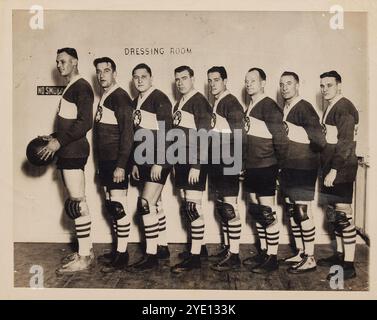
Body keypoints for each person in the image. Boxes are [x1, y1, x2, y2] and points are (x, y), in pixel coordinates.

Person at [38, 47, 95, 273]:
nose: (60, 66)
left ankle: (84, 256)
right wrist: (52, 137)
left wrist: (59, 143)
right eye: (58, 62)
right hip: (67, 151)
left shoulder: (82, 86)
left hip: (74, 151)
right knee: (76, 202)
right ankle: (86, 250)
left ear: (75, 62)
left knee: (77, 202)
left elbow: (84, 123)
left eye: (63, 62)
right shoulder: (72, 87)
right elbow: (69, 123)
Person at [279, 71, 326, 273]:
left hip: (303, 168)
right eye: (281, 84)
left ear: (297, 85)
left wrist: (302, 149)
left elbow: (319, 141)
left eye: (289, 83)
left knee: (302, 211)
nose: (285, 87)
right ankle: (300, 252)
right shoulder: (286, 108)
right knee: (292, 211)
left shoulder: (304, 107)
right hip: (289, 167)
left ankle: (310, 257)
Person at [242, 68, 287, 273]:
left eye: (253, 80)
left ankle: (272, 257)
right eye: (247, 81)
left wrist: (279, 169)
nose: (249, 84)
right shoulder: (250, 106)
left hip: (266, 166)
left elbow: (281, 141)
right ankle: (263, 251)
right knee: (257, 211)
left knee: (267, 213)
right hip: (252, 167)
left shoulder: (269, 106)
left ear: (263, 83)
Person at [128, 63, 173, 271]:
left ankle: (151, 255)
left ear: (151, 78)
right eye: (136, 77)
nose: (139, 80)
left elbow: (168, 133)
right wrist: (136, 162)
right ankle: (162, 246)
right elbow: (136, 136)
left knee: (145, 204)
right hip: (143, 159)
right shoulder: (136, 101)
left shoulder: (160, 98)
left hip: (159, 160)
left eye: (143, 76)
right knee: (156, 204)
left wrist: (160, 162)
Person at [92, 57, 134, 272]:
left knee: (119, 207)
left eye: (106, 70)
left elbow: (128, 135)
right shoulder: (105, 96)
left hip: (117, 163)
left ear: (114, 73)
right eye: (99, 71)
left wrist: (120, 165)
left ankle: (123, 254)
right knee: (112, 205)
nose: (102, 75)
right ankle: (118, 249)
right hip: (106, 162)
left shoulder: (120, 97)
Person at [170, 65, 212, 273]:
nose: (180, 82)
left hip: (194, 161)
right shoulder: (180, 102)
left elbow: (205, 136)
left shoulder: (199, 101)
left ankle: (195, 257)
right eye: (177, 79)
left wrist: (197, 165)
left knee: (193, 208)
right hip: (182, 161)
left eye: (184, 78)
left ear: (192, 78)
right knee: (188, 206)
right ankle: (199, 248)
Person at [317, 70, 359, 280]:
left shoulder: (344, 108)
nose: (325, 89)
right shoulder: (332, 106)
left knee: (342, 216)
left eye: (329, 85)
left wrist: (334, 170)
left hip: (341, 169)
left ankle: (349, 265)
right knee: (334, 214)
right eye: (322, 85)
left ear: (339, 86)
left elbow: (345, 144)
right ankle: (341, 255)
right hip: (330, 167)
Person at [207, 66, 244, 271]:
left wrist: (239, 164)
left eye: (217, 80)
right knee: (222, 206)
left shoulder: (231, 103)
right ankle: (229, 247)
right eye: (210, 80)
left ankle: (235, 254)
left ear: (225, 81)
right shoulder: (217, 102)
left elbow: (239, 135)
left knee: (230, 207)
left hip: (228, 160)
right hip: (217, 161)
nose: (213, 84)